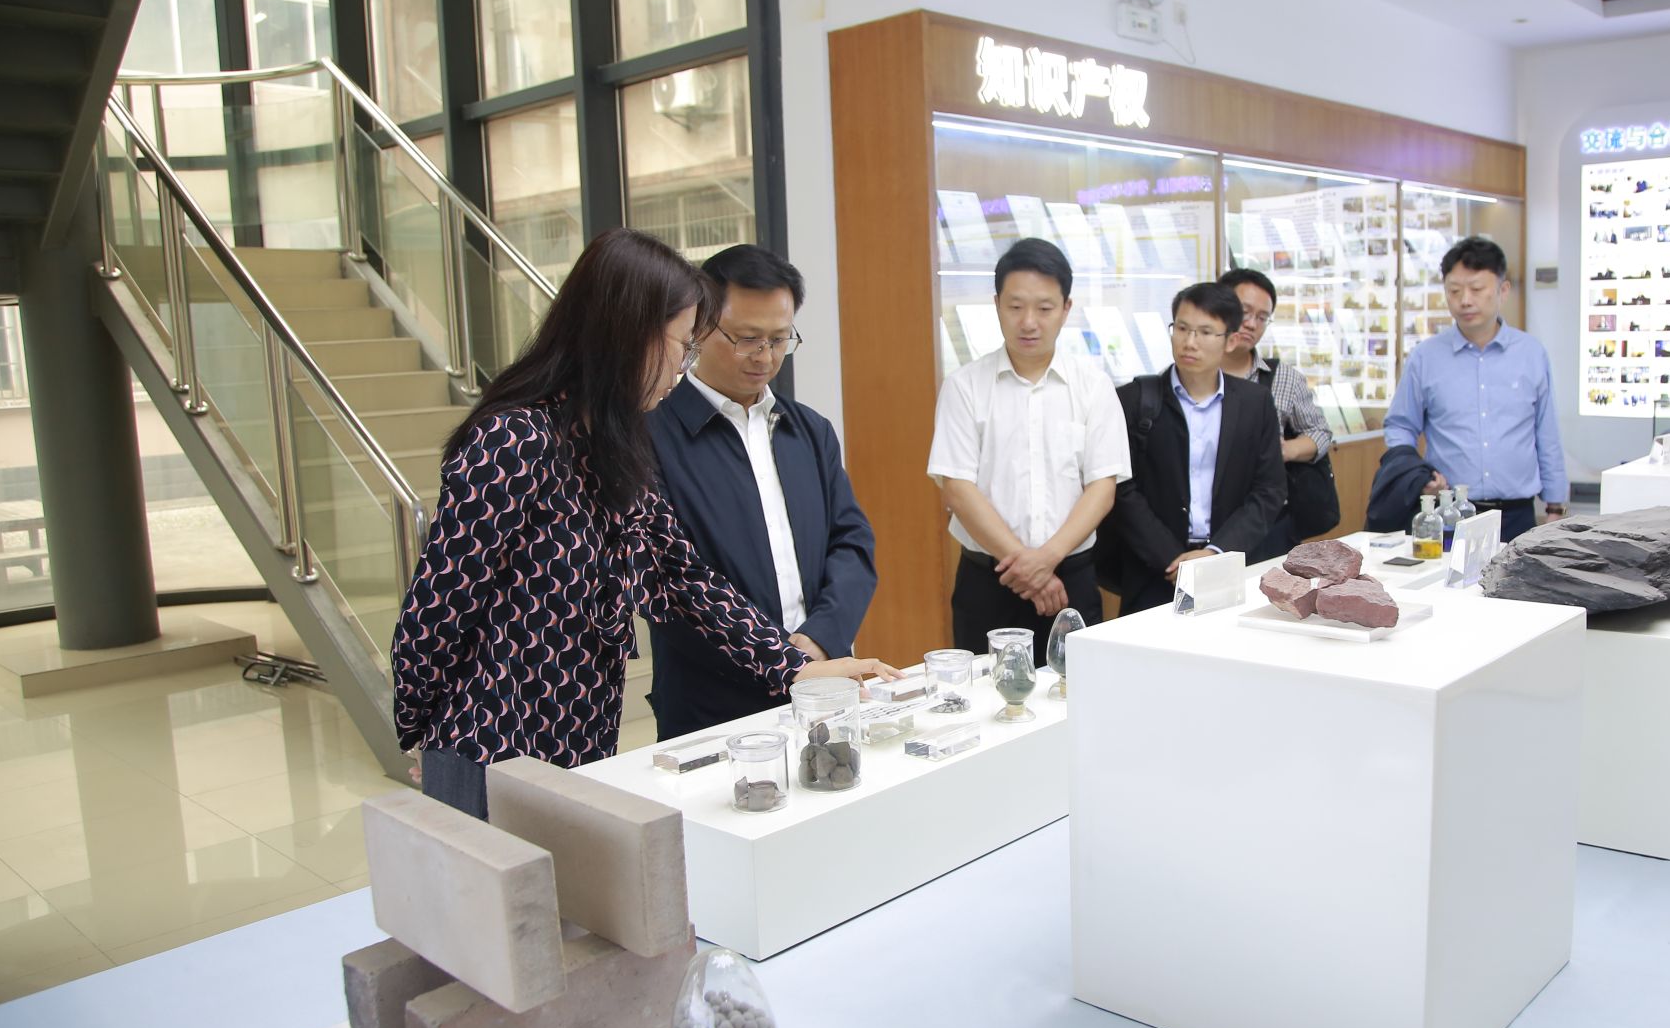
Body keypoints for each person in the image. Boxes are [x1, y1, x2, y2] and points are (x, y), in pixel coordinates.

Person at [392, 228, 897, 818]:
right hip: (489, 745)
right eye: (681, 345)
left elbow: (682, 578)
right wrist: (420, 729)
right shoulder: (514, 439)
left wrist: (799, 671)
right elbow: (439, 605)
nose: (682, 367)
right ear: (625, 334)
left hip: (582, 741)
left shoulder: (612, 447)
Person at [643, 245, 876, 741]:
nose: (765, 357)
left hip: (821, 686)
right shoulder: (652, 437)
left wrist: (817, 640)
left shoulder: (808, 431)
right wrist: (781, 659)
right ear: (699, 326)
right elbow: (672, 584)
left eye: (779, 339)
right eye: (747, 339)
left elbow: (852, 544)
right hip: (711, 703)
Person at [927, 238, 1129, 657]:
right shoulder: (964, 387)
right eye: (1015, 306)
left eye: (1044, 308)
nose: (1029, 322)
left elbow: (1102, 488)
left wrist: (1046, 560)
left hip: (1071, 580)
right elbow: (958, 488)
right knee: (984, 694)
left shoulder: (1093, 387)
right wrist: (1027, 566)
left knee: (1078, 691)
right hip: (987, 584)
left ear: (1066, 309)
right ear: (997, 304)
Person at [1106, 282, 1286, 613]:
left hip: (1227, 563)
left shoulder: (1254, 403)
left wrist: (1215, 553)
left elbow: (1269, 490)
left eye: (1205, 332)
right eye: (1182, 328)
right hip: (1153, 569)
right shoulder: (1134, 400)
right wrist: (1172, 559)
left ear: (1231, 340)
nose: (1190, 342)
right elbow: (1122, 488)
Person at [1386, 236, 1567, 541]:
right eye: (1454, 291)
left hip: (1516, 515)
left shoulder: (1531, 354)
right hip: (1449, 515)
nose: (1465, 300)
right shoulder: (1425, 358)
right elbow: (1400, 426)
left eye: (1477, 289)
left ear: (1502, 290)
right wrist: (1416, 475)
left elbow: (1546, 433)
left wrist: (1555, 505)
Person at [1219, 267, 1336, 559]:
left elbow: (1320, 433)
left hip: (1267, 522)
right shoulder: (1189, 375)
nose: (1251, 324)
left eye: (1262, 317)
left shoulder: (1283, 377)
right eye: (1244, 311)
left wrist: (1283, 450)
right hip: (1203, 523)